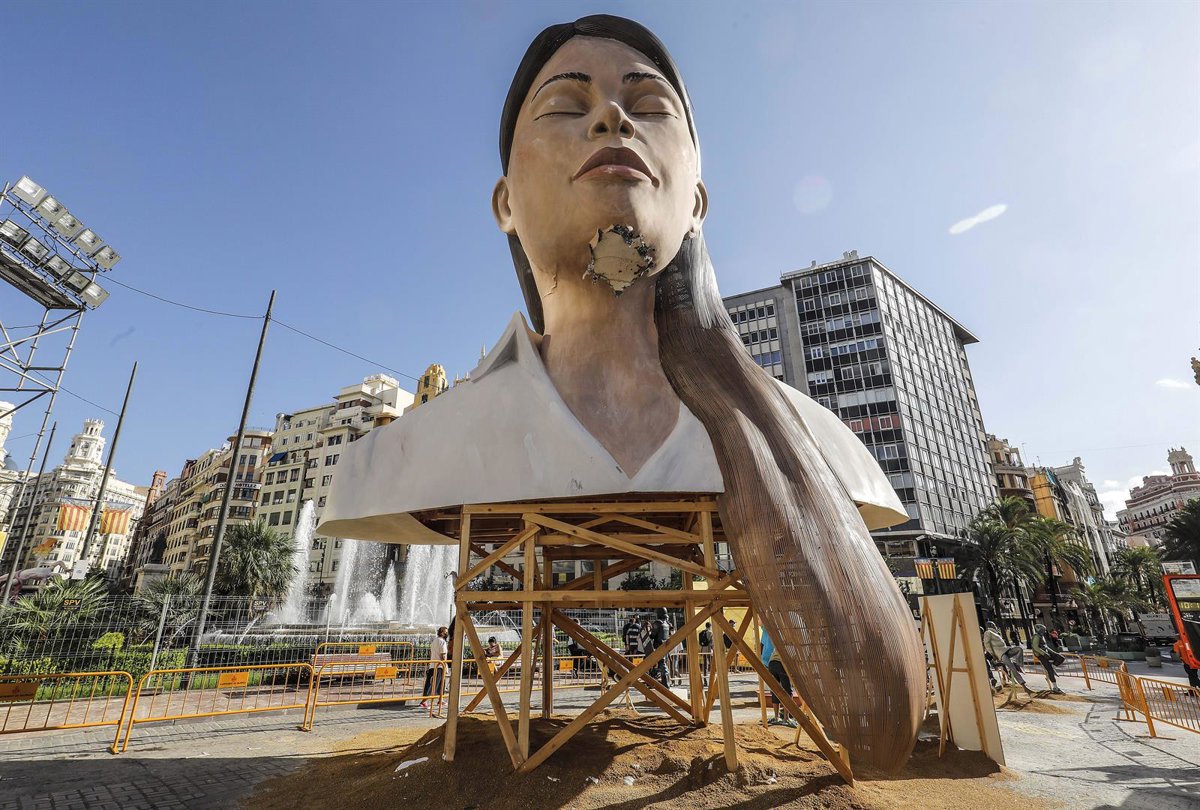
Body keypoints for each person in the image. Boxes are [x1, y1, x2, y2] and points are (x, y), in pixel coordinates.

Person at [317, 14, 926, 771]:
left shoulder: (820, 448)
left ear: (696, 202)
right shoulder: (404, 454)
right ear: (505, 203)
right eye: (566, 105)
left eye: (648, 105)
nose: (612, 118)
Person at [983, 621, 1032, 694]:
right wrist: (993, 654)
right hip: (1000, 653)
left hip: (1006, 650)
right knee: (1012, 668)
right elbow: (987, 645)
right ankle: (1024, 686)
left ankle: (1018, 664)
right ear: (990, 625)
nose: (995, 626)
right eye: (994, 625)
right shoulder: (988, 633)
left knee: (1019, 649)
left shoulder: (996, 633)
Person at [761, 631, 796, 728]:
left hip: (772, 663)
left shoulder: (781, 642)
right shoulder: (793, 645)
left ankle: (776, 717)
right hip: (781, 664)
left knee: (775, 690)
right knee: (787, 691)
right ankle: (786, 718)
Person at [1031, 623, 1065, 695]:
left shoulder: (1041, 636)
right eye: (1043, 630)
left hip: (1047, 652)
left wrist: (1052, 652)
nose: (1044, 631)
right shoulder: (1036, 636)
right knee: (1049, 670)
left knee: (1061, 658)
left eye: (1044, 630)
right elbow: (1035, 647)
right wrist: (1043, 653)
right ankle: (1055, 687)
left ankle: (1053, 667)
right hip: (1041, 655)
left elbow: (1045, 646)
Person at [421, 626, 450, 707]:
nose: (446, 634)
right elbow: (443, 655)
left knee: (440, 684)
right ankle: (424, 701)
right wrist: (445, 664)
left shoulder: (435, 641)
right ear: (441, 633)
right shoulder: (442, 642)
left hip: (433, 664)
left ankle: (441, 700)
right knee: (434, 684)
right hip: (439, 666)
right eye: (445, 632)